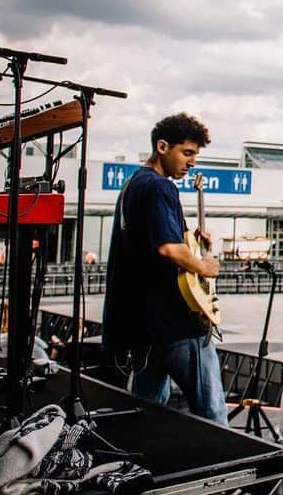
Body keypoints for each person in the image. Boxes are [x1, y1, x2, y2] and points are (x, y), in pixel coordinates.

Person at [102, 112, 227, 424]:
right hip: (175, 323)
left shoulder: (132, 185)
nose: (192, 162)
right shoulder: (161, 188)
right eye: (186, 153)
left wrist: (192, 240)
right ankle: (227, 468)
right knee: (211, 410)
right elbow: (167, 248)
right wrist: (202, 265)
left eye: (195, 155)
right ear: (162, 146)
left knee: (145, 412)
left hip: (142, 326)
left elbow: (154, 243)